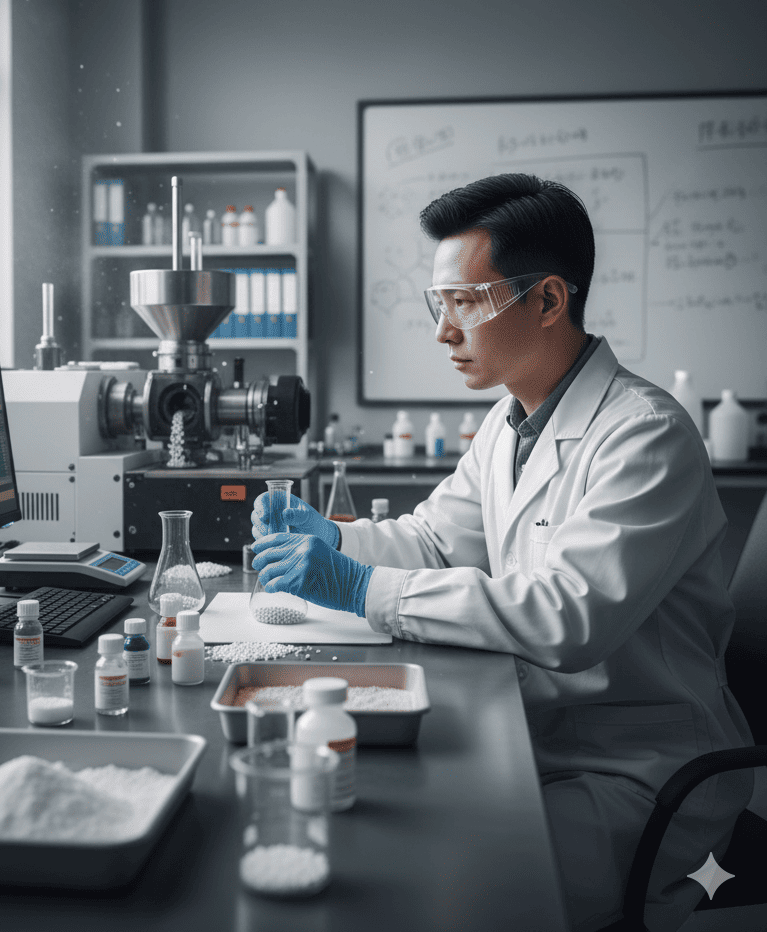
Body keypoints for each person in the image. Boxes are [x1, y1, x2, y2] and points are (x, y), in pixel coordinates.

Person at [250, 174, 753, 932]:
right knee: (383, 822)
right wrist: (335, 538)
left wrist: (357, 587)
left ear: (548, 300)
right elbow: (434, 540)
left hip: (637, 774)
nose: (444, 332)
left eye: (465, 303)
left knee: (439, 883)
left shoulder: (646, 436)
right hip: (535, 735)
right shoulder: (508, 421)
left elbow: (567, 618)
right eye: (439, 304)